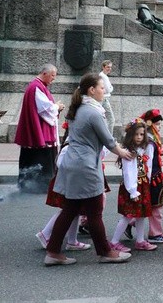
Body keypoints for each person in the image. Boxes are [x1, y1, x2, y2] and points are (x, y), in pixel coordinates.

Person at [45, 73, 133, 265]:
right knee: (94, 213)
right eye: (102, 87)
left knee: (69, 210)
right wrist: (123, 152)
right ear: (91, 90)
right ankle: (105, 252)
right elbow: (108, 139)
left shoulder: (81, 108)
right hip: (85, 167)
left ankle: (53, 252)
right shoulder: (92, 112)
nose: (104, 91)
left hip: (75, 164)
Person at [37, 122, 88, 252]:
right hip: (67, 183)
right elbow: (60, 164)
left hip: (72, 182)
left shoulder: (74, 145)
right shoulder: (69, 147)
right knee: (67, 210)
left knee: (74, 211)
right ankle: (45, 233)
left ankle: (72, 241)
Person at [14, 64, 64, 193]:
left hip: (41, 129)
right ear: (45, 73)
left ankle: (30, 185)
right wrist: (56, 107)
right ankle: (39, 186)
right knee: (41, 158)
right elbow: (45, 109)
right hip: (40, 131)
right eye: (53, 75)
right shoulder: (36, 87)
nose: (54, 78)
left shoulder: (38, 86)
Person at [109, 119, 156, 252]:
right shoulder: (128, 152)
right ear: (130, 135)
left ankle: (140, 240)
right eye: (136, 134)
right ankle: (114, 242)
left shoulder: (141, 150)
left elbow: (148, 164)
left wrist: (147, 179)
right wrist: (132, 191)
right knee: (128, 215)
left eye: (142, 134)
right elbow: (128, 173)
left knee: (141, 214)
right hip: (132, 187)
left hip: (142, 185)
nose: (139, 137)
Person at [139, 109, 163, 243]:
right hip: (153, 178)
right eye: (157, 125)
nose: (159, 127)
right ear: (150, 125)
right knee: (156, 207)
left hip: (154, 177)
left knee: (148, 206)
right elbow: (149, 163)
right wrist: (149, 180)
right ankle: (155, 234)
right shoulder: (150, 142)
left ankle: (128, 224)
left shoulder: (151, 140)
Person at [98, 60, 115, 137]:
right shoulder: (103, 76)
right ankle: (109, 137)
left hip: (104, 99)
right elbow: (108, 89)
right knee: (111, 119)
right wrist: (111, 88)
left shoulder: (104, 76)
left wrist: (110, 88)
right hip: (104, 99)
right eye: (108, 67)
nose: (109, 69)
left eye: (110, 67)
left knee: (105, 119)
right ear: (103, 67)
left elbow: (108, 89)